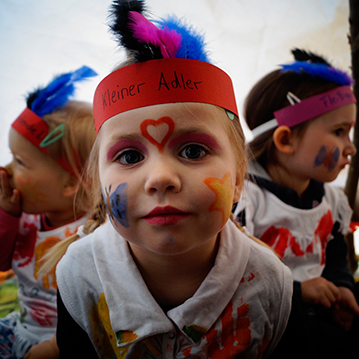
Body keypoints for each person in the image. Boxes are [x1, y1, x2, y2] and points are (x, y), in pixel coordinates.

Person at [54, 1, 293, 358]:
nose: (161, 178)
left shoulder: (270, 283)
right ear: (99, 184)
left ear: (240, 177)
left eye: (193, 151)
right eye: (130, 156)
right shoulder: (79, 276)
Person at [233, 49, 359, 358]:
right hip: (267, 326)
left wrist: (341, 287)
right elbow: (234, 278)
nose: (351, 148)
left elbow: (333, 253)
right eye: (339, 132)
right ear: (285, 140)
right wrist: (300, 293)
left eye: (350, 132)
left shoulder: (329, 199)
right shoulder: (244, 201)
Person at [0, 65, 97, 359]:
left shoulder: (94, 234)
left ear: (69, 183)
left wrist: (54, 348)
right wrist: (6, 215)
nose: (5, 170)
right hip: (20, 328)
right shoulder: (23, 217)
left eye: (20, 162)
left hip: (67, 343)